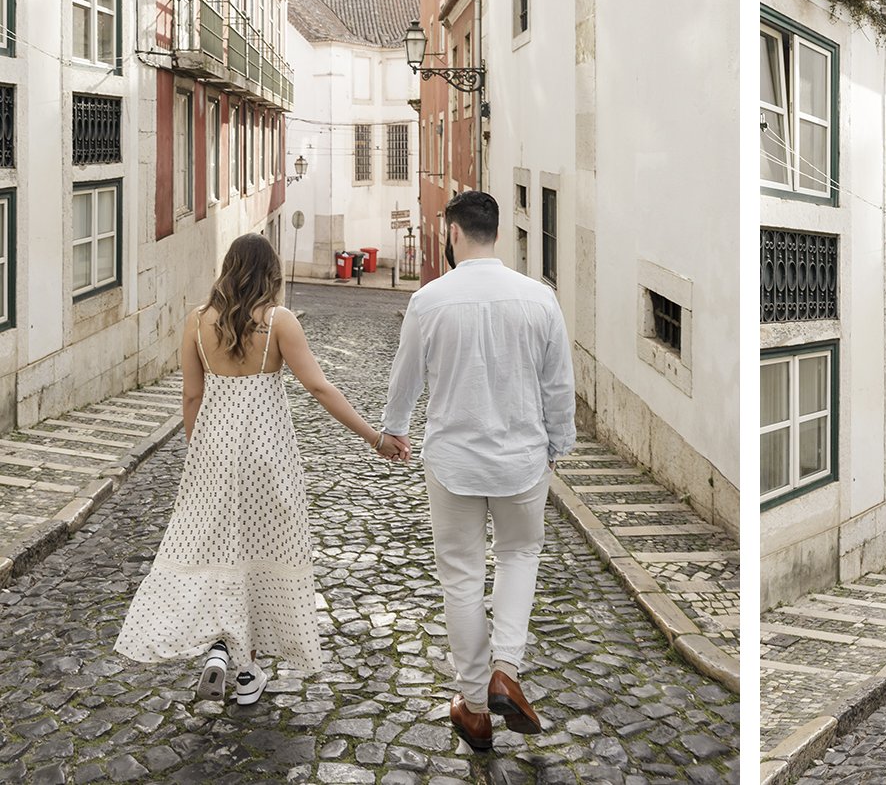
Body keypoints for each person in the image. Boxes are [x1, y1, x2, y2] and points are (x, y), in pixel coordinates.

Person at [116, 233, 404, 703]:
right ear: (270, 273)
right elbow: (320, 388)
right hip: (268, 457)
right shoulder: (278, 323)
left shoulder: (196, 322)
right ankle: (246, 672)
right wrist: (374, 437)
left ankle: (220, 651)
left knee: (211, 551)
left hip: (213, 452)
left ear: (228, 269)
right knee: (258, 555)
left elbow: (191, 396)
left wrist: (200, 450)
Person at [381, 190, 576, 753]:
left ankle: (472, 706)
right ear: (496, 232)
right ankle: (505, 671)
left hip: (453, 462)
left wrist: (394, 429)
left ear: (454, 233)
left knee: (462, 577)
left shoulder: (430, 300)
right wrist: (557, 444)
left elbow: (406, 375)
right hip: (522, 460)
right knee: (519, 557)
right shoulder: (540, 300)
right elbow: (558, 385)